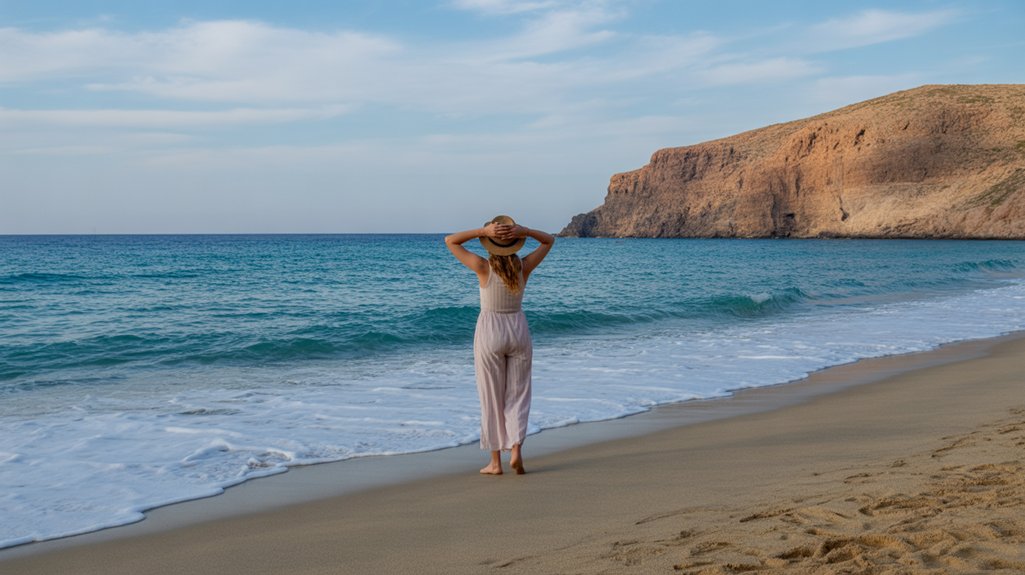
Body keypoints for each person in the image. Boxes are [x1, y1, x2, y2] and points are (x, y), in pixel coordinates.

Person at [445, 215, 555, 475]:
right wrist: (525, 230)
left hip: (490, 332)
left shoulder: (482, 267)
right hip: (518, 330)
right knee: (519, 394)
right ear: (515, 242)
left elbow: (450, 241)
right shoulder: (524, 267)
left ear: (489, 243)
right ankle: (516, 451)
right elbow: (549, 241)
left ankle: (495, 463)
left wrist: (482, 231)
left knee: (491, 397)